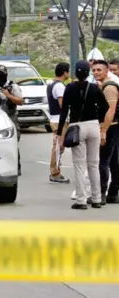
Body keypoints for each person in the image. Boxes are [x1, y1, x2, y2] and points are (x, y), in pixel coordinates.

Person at [57, 60, 109, 210]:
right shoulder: (94, 88)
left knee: (79, 165)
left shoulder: (69, 88)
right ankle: (97, 198)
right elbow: (105, 107)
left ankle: (81, 200)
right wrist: (97, 119)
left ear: (75, 73)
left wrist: (60, 134)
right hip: (93, 126)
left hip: (76, 127)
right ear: (88, 73)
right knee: (94, 164)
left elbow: (64, 112)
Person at [92, 59, 119, 204]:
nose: (96, 72)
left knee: (103, 161)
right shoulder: (104, 85)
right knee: (114, 161)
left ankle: (101, 194)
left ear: (106, 71)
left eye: (99, 70)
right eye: (94, 70)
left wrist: (103, 131)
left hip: (111, 127)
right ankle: (113, 193)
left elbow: (111, 110)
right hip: (113, 127)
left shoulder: (109, 88)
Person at [0, 65, 23, 175]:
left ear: (6, 74)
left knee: (13, 143)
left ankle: (16, 167)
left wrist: (9, 96)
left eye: (2, 73)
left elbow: (20, 101)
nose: (1, 76)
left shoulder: (13, 86)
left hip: (11, 117)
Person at [47, 62, 70, 183]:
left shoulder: (51, 84)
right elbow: (63, 104)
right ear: (65, 72)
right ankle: (55, 172)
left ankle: (56, 171)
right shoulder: (60, 86)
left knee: (57, 146)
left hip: (54, 118)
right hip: (59, 120)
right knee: (58, 147)